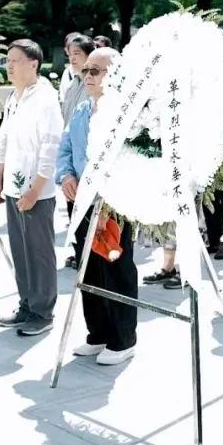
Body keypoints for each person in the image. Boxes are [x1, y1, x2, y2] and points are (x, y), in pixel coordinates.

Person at [58, 47, 139, 365]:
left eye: (96, 71)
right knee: (87, 267)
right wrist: (65, 175)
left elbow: (132, 159)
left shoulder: (127, 113)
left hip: (114, 203)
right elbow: (65, 148)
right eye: (86, 71)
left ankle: (123, 339)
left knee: (116, 267)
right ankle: (98, 333)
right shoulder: (81, 110)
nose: (88, 76)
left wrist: (109, 195)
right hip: (81, 200)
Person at [0, 39, 65, 337]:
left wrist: (35, 189)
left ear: (33, 64)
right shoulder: (14, 97)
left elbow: (51, 147)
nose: (9, 66)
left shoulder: (46, 99)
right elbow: (4, 139)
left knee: (39, 252)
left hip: (36, 191)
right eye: (7, 61)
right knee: (20, 251)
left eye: (15, 61)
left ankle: (43, 311)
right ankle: (26, 303)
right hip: (13, 186)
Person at [60, 34, 96, 123]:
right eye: (70, 54)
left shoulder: (96, 82)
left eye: (76, 53)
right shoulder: (72, 84)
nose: (72, 58)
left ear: (89, 55)